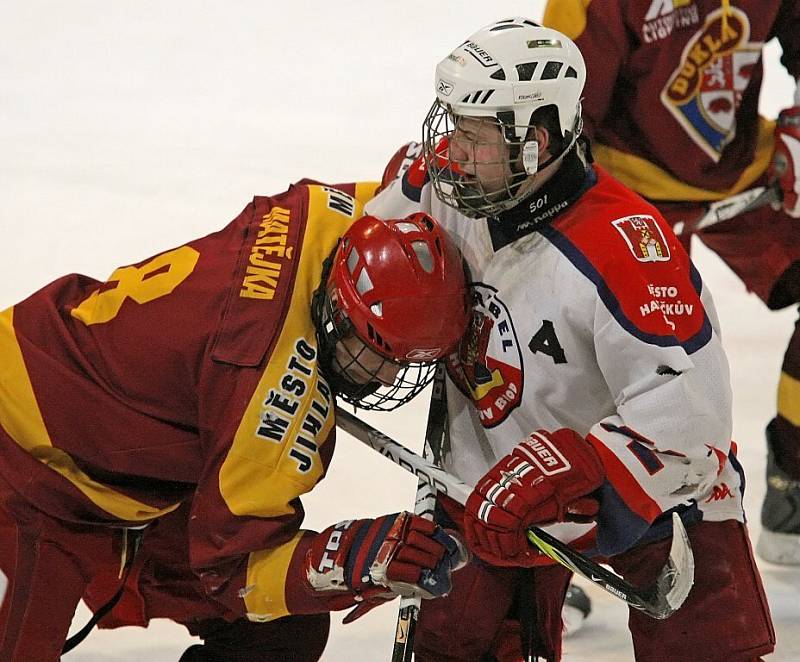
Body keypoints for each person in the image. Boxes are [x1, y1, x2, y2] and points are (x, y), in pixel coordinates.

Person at [367, 18, 774, 661]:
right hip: (484, 482)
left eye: (475, 137)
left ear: (536, 139)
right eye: (454, 126)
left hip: (656, 489)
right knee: (458, 646)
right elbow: (359, 247)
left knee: (709, 646)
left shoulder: (626, 249)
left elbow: (691, 420)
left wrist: (586, 471)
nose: (452, 152)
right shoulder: (444, 189)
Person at [0, 179, 472, 662]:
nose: (391, 374)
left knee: (281, 634)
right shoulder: (270, 404)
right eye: (380, 355)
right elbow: (232, 574)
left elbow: (407, 180)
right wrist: (352, 558)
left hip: (76, 398)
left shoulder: (327, 216)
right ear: (339, 317)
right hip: (29, 468)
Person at [541, 0, 800, 566]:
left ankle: (794, 486)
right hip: (617, 186)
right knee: (589, 351)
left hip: (737, 165)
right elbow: (556, 119)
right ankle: (558, 536)